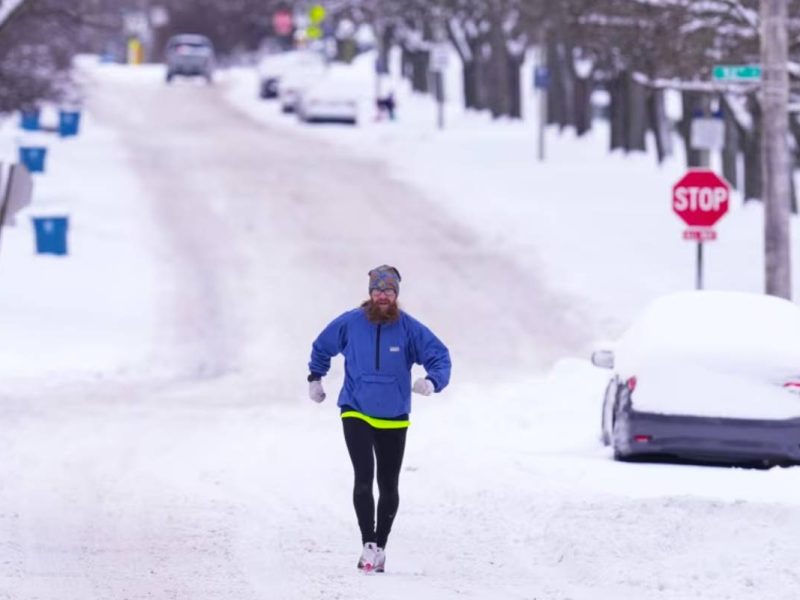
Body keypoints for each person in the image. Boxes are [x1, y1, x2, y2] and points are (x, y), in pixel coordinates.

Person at [307, 265, 451, 573]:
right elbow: (322, 346)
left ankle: (381, 546)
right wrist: (315, 377)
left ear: (396, 295)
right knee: (363, 478)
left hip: (394, 415)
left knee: (388, 484)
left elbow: (439, 355)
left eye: (388, 291)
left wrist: (432, 381)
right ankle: (368, 544)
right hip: (355, 409)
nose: (382, 296)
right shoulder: (350, 323)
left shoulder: (410, 329)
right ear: (370, 293)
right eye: (377, 290)